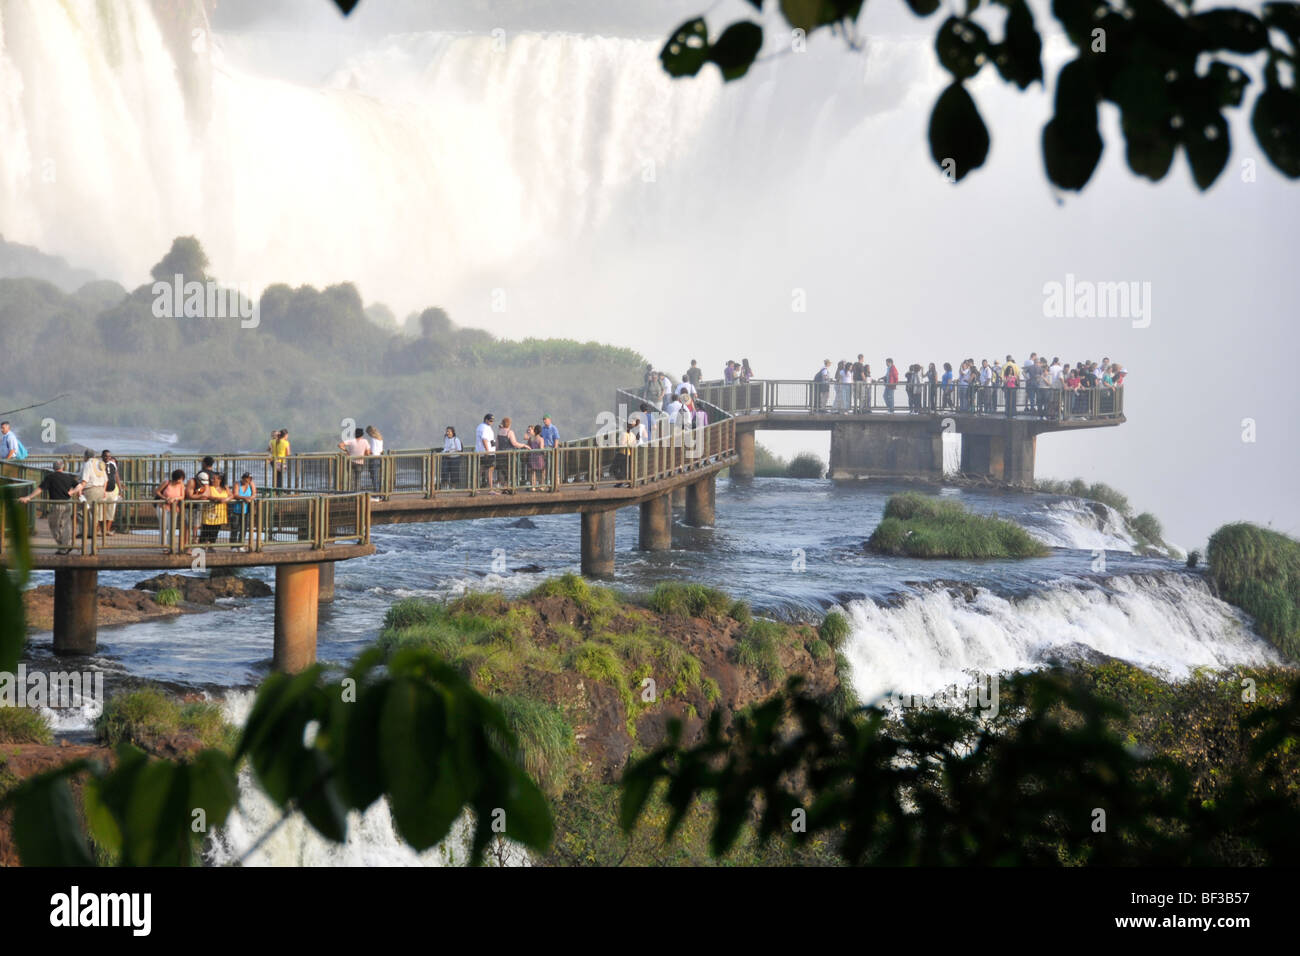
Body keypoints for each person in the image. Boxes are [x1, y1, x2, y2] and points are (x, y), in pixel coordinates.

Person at [18, 461, 86, 554]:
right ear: (63, 467)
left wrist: (28, 497)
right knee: (66, 525)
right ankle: (66, 545)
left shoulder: (50, 477)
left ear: (53, 468)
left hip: (56, 504)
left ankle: (63, 546)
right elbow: (80, 486)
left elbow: (40, 489)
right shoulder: (68, 477)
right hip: (68, 503)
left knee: (54, 525)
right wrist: (71, 492)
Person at [154, 469, 187, 552]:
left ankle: (170, 545)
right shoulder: (167, 483)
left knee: (172, 527)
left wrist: (174, 499)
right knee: (163, 527)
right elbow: (157, 491)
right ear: (176, 478)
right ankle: (164, 546)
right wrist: (165, 498)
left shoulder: (181, 485)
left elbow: (182, 496)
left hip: (174, 508)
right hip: (163, 507)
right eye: (180, 479)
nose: (181, 481)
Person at [201, 473, 231, 544]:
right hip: (209, 513)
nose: (212, 480)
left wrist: (226, 499)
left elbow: (231, 495)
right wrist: (217, 499)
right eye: (212, 478)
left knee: (215, 531)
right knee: (206, 531)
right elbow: (206, 495)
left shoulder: (225, 488)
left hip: (220, 514)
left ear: (220, 480)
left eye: (215, 478)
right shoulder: (208, 487)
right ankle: (202, 545)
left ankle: (211, 545)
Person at [230, 472, 256, 549]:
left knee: (244, 529)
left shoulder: (251, 484)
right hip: (236, 510)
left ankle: (240, 545)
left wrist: (250, 498)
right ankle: (233, 546)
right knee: (234, 528)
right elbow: (235, 494)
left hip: (246, 510)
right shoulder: (237, 484)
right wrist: (244, 498)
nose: (247, 481)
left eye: (249, 479)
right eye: (246, 479)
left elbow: (254, 494)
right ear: (243, 478)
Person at [475, 413, 499, 494]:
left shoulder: (480, 426)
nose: (491, 422)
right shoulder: (485, 428)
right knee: (490, 470)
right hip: (487, 453)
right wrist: (488, 451)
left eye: (492, 421)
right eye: (490, 420)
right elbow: (484, 439)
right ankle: (490, 489)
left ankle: (476, 488)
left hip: (481, 452)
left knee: (481, 470)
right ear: (486, 420)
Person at [101, 449, 120, 535]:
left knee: (111, 512)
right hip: (103, 491)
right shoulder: (99, 465)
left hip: (112, 491)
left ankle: (107, 530)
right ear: (102, 456)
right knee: (101, 512)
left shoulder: (113, 464)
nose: (107, 458)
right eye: (106, 456)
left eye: (109, 456)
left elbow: (116, 476)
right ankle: (99, 530)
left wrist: (120, 488)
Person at [365, 425, 384, 499]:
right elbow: (381, 450)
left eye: (368, 433)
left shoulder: (373, 439)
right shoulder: (380, 438)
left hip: (373, 458)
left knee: (374, 477)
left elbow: (372, 450)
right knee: (377, 477)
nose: (368, 435)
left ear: (370, 432)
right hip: (379, 458)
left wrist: (367, 453)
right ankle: (379, 493)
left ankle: (376, 494)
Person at [527, 424, 546, 490]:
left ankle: (533, 486)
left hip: (532, 457)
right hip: (539, 457)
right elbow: (541, 448)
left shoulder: (531, 438)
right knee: (542, 471)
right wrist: (544, 452)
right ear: (540, 431)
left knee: (533, 472)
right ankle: (542, 486)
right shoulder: (541, 439)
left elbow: (529, 446)